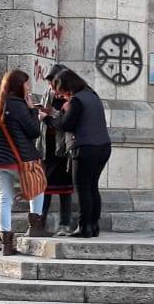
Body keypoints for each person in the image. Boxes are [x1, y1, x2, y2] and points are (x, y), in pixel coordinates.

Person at [0, 69, 50, 256]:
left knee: (5, 199)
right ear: (19, 86)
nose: (29, 87)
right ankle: (35, 227)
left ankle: (6, 245)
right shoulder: (19, 106)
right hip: (19, 160)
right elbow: (33, 131)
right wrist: (33, 110)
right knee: (38, 186)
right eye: (26, 84)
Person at [41, 70, 111, 238]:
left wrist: (46, 118)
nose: (58, 94)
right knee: (92, 186)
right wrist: (68, 106)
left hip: (85, 148)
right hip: (103, 147)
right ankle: (93, 226)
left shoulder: (77, 100)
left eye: (59, 89)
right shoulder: (91, 95)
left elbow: (67, 125)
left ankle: (83, 227)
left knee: (82, 188)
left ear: (67, 86)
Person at [39, 64, 75, 235]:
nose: (50, 87)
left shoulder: (69, 97)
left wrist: (50, 116)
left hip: (63, 148)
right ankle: (40, 222)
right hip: (47, 147)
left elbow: (66, 121)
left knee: (65, 189)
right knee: (44, 187)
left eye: (52, 83)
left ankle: (65, 223)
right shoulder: (47, 94)